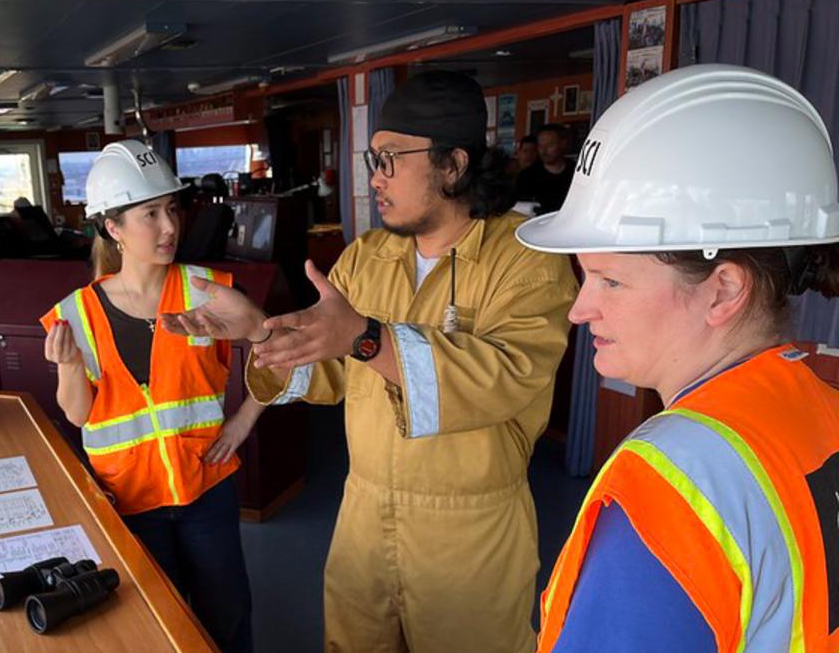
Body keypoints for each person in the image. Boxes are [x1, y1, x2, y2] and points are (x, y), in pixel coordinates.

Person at [163, 71, 579, 652]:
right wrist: (259, 330)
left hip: (469, 530)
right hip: (363, 516)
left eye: (390, 160)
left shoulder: (526, 259)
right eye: (372, 160)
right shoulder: (367, 256)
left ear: (453, 165)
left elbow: (506, 377)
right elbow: (329, 371)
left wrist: (366, 340)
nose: (375, 177)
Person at [516, 64, 839, 652]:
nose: (580, 309)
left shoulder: (672, 487)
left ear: (723, 290)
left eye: (610, 281)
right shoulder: (821, 402)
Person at [39, 140, 258, 653]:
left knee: (227, 616)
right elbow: (79, 414)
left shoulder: (209, 290)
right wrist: (68, 365)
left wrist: (245, 419)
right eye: (150, 214)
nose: (169, 227)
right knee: (158, 625)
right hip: (129, 499)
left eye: (172, 209)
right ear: (112, 228)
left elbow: (277, 351)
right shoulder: (75, 313)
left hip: (206, 490)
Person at [516, 124, 574, 215]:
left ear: (562, 144)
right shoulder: (527, 176)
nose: (544, 151)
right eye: (540, 146)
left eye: (549, 145)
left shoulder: (576, 172)